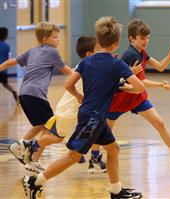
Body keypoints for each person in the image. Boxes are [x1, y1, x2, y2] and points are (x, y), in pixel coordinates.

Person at [22, 16, 145, 199]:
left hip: (93, 116)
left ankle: (116, 190)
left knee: (113, 149)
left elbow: (68, 84)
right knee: (72, 157)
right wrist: (127, 87)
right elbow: (140, 87)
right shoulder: (117, 64)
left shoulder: (87, 61)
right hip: (93, 120)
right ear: (117, 42)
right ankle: (35, 182)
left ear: (99, 40)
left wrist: (80, 96)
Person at [106, 19, 170, 173]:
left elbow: (160, 67)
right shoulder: (131, 54)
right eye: (142, 38)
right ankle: (93, 156)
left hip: (136, 96)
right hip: (121, 97)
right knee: (104, 130)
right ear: (132, 38)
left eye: (147, 38)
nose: (146, 41)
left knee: (159, 123)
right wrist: (160, 85)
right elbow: (141, 81)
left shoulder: (141, 52)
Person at [20, 36, 107, 173]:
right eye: (98, 49)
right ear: (89, 54)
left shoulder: (85, 66)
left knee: (90, 130)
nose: (101, 51)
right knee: (55, 137)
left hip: (78, 111)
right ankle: (29, 145)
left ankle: (80, 154)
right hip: (68, 111)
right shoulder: (87, 68)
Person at [0, 22, 73, 169]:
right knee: (50, 127)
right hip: (35, 94)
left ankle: (28, 155)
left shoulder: (31, 51)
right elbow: (67, 71)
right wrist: (83, 76)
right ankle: (25, 152)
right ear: (45, 39)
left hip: (24, 94)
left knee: (40, 125)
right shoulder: (52, 52)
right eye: (55, 37)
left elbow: (10, 62)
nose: (57, 40)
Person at [0, 27, 18, 102]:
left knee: (5, 84)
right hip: (3, 69)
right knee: (5, 84)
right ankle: (14, 92)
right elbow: (8, 59)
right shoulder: (7, 46)